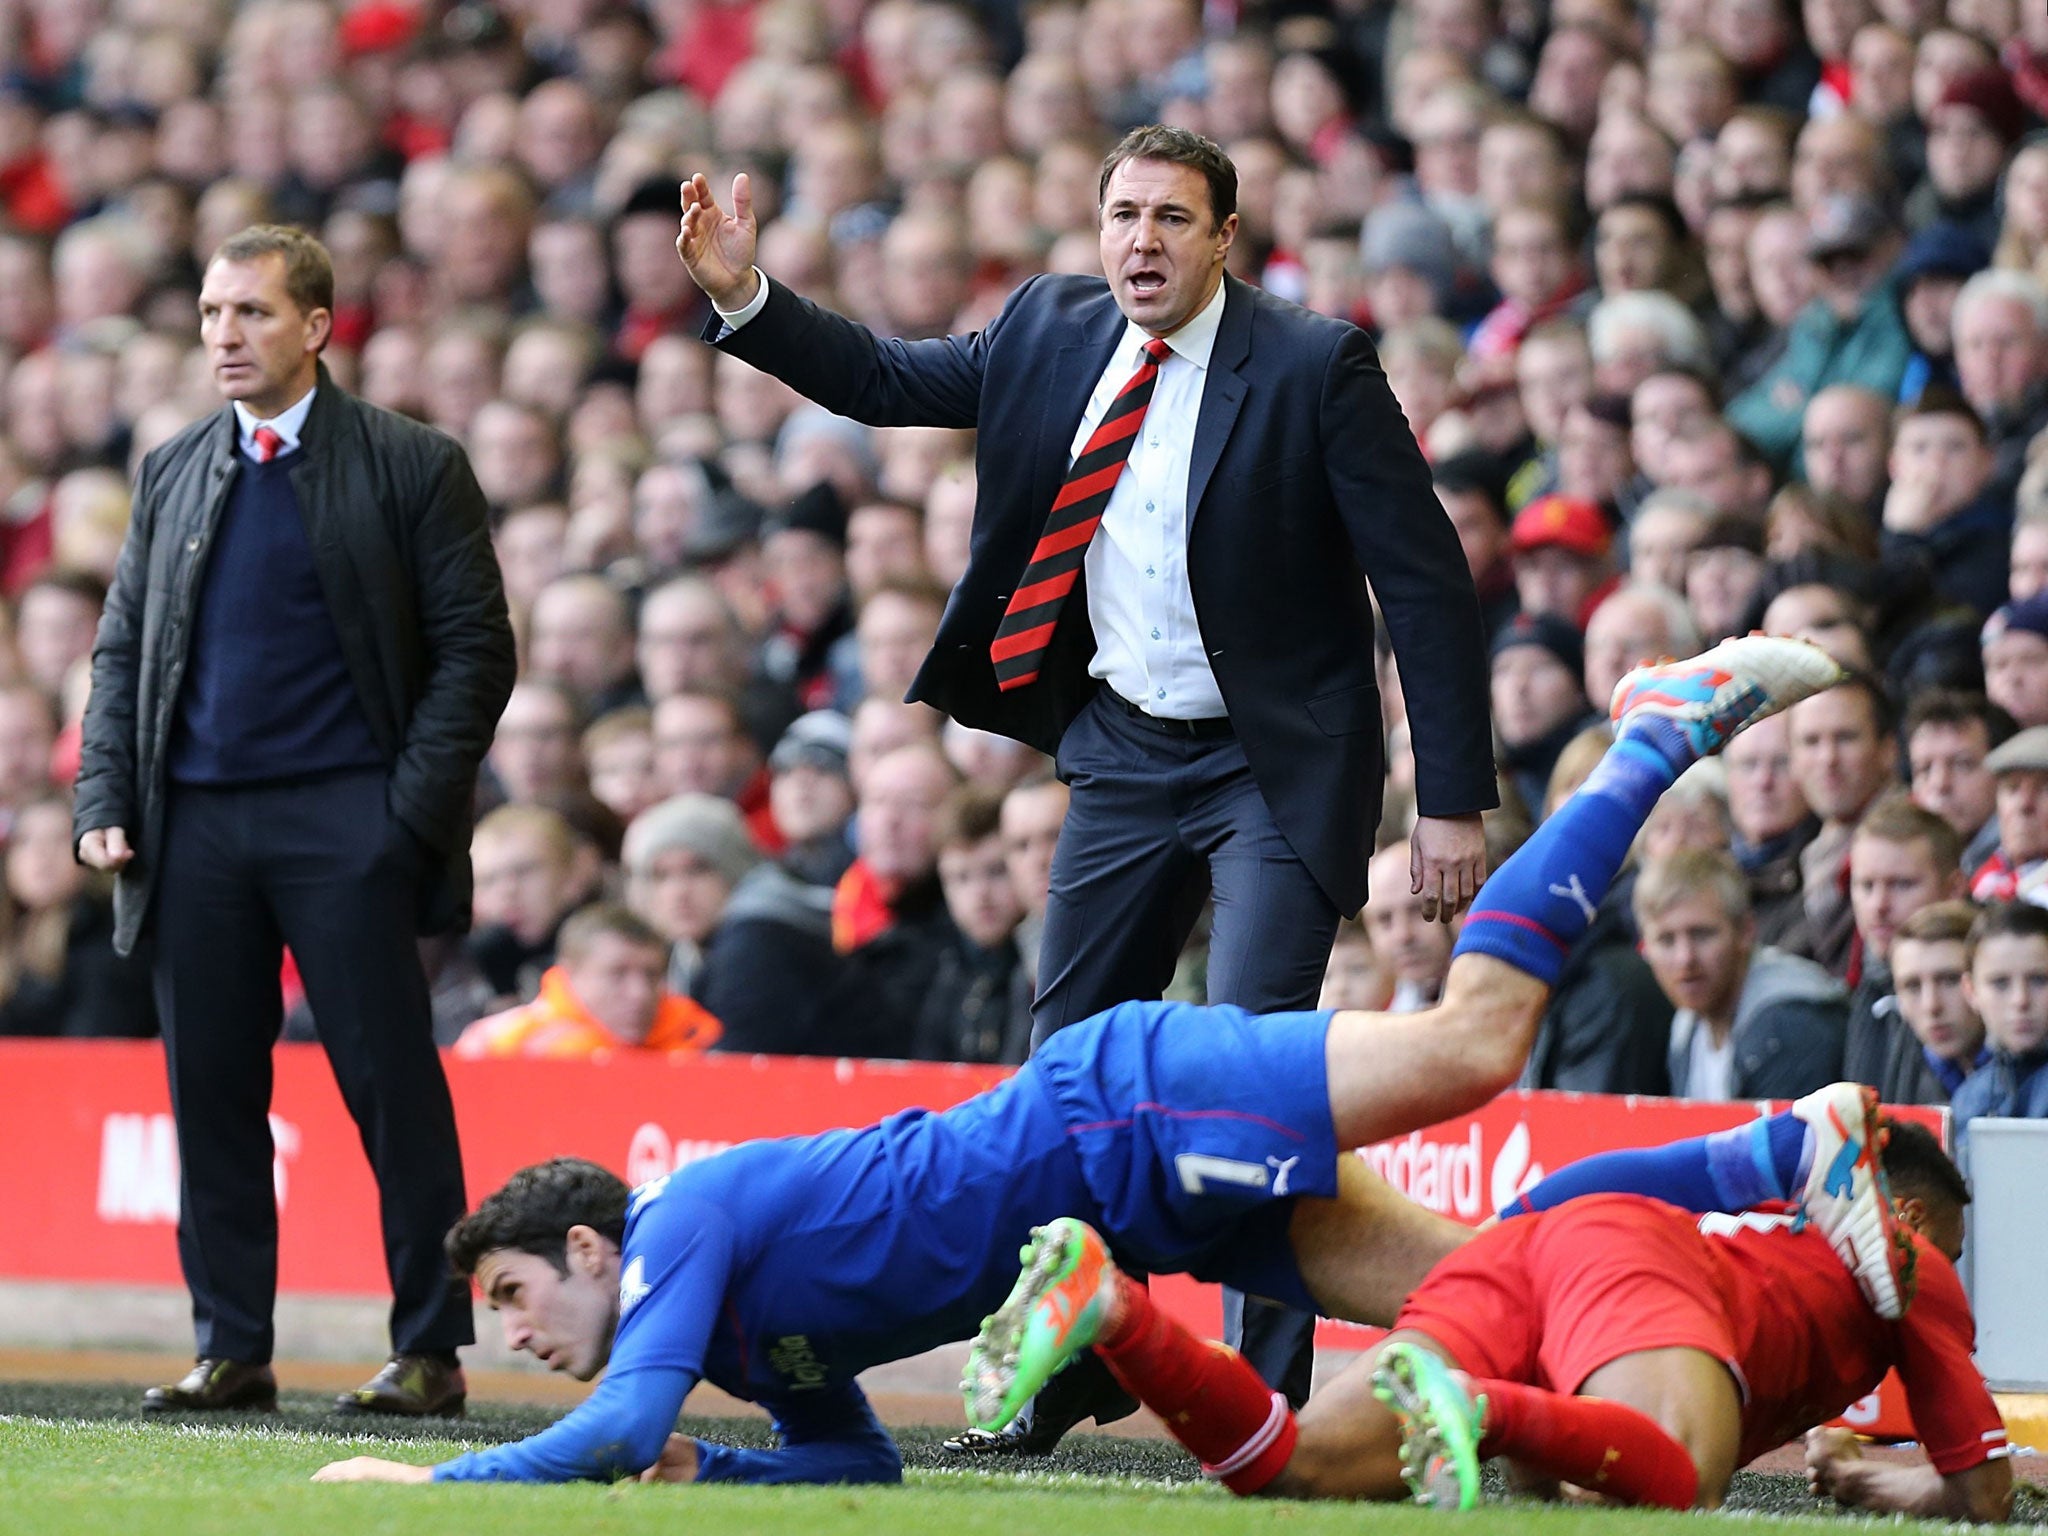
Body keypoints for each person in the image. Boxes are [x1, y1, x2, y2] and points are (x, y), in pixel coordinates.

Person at [306, 636, 1852, 1488]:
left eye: (509, 1295)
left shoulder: (682, 1236)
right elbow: (856, 1473)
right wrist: (726, 1480)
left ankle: (1653, 731)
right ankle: (1774, 1171)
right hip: (1147, 1213)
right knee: (1504, 1286)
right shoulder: (722, 1337)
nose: (508, 1334)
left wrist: (441, 1488)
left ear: (588, 1245)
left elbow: (621, 1430)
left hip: (1117, 1115)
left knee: (1475, 1038)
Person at [677, 126, 1496, 1426]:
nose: (1144, 241)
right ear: (1095, 226)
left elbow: (1426, 583)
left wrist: (1451, 794)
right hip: (1121, 751)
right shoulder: (1051, 331)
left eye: (1174, 219)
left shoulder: (1313, 366)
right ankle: (1082, 1357)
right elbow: (886, 379)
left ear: (1226, 239)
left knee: (1256, 1077)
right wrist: (743, 298)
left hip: (1270, 765)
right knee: (1063, 1077)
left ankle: (1264, 1404)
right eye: (1124, 215)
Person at [72, 225, 517, 1417]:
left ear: (317, 327)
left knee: (391, 1091)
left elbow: (477, 655)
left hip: (347, 824)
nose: (225, 335)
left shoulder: (414, 462)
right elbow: (122, 650)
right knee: (210, 1096)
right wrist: (105, 799)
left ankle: (430, 1349)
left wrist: (401, 818)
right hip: (196, 830)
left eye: (252, 314)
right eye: (214, 314)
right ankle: (232, 1348)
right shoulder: (169, 469)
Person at [980, 1121, 2009, 1521]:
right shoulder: (1907, 1252)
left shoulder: (1781, 1237)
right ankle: (1473, 1404)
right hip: (1630, 1261)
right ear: (1909, 1214)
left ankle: (1110, 1309)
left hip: (1535, 1256)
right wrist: (1879, 1479)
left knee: (1288, 1468)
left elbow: (1571, 1470)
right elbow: (1985, 1494)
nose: (1943, 1288)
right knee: (1678, 1475)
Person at [454, 903, 722, 1059]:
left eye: (651, 975)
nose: (639, 993)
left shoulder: (699, 1039)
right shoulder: (499, 1045)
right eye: (617, 974)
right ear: (570, 972)